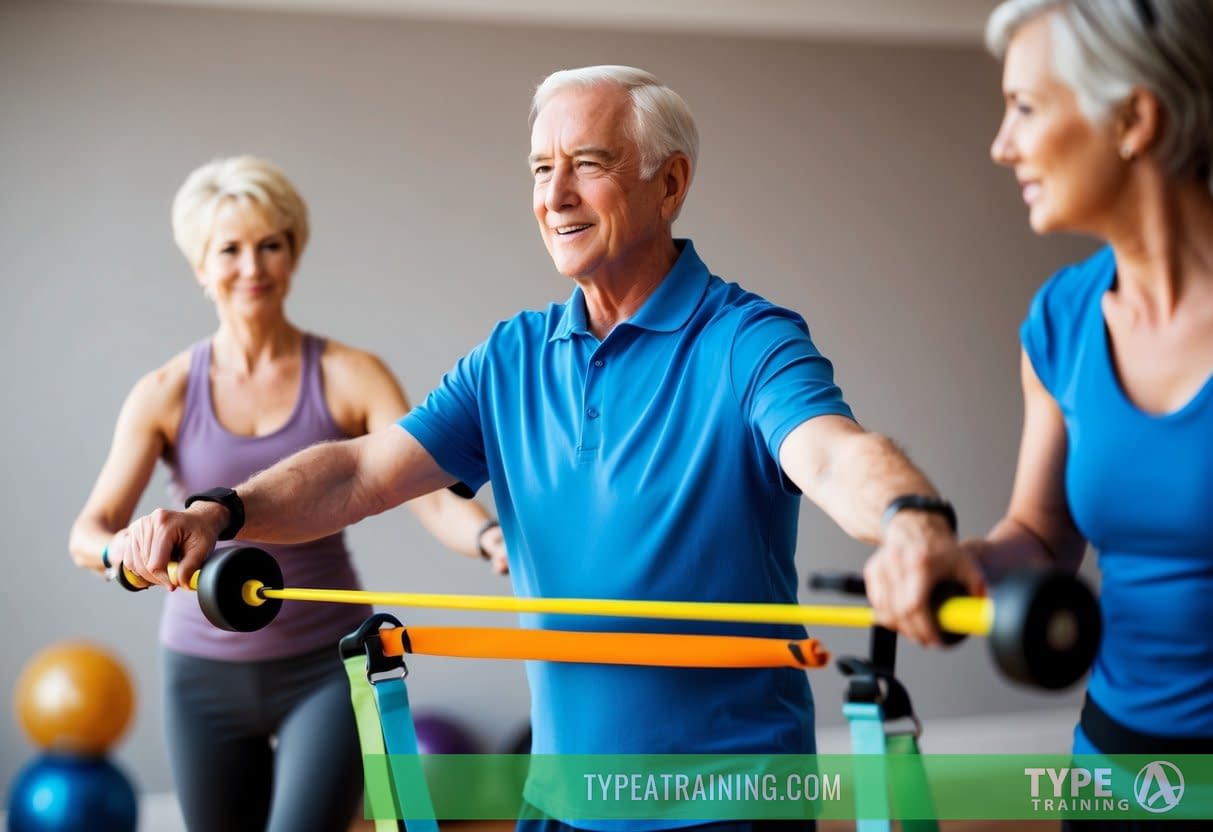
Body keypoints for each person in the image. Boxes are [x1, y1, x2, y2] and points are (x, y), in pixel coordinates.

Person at [115, 69, 975, 832]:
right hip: (562, 800)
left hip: (729, 801)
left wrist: (910, 524)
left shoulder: (748, 341)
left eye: (588, 164)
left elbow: (830, 455)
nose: (554, 195)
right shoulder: (510, 358)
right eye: (539, 169)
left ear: (668, 183)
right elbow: (356, 473)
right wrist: (220, 512)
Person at [68, 155, 508, 832]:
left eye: (270, 245)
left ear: (293, 254)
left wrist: (485, 536)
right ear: (199, 267)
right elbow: (87, 532)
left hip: (325, 668)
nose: (253, 267)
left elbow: (429, 493)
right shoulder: (166, 392)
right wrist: (121, 553)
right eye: (231, 249)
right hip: (201, 674)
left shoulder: (349, 375)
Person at [957, 1, 1213, 828]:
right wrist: (954, 565)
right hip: (1113, 769)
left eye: (1025, 107)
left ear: (1133, 116)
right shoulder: (1059, 322)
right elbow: (1040, 534)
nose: (1002, 144)